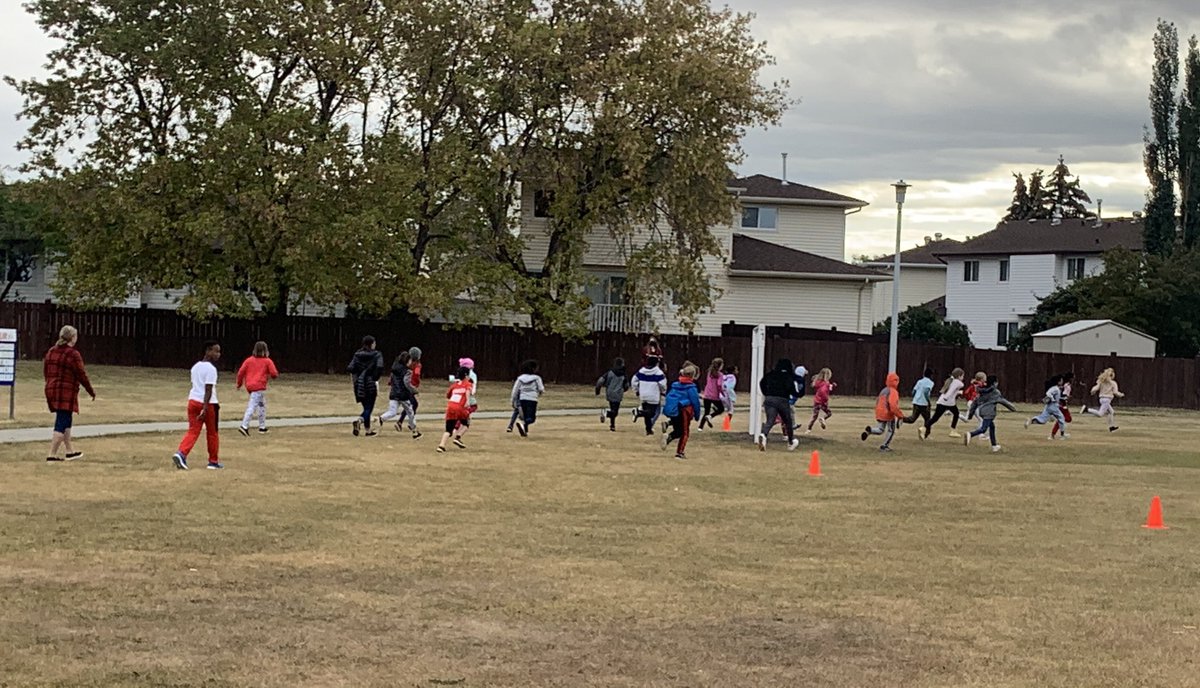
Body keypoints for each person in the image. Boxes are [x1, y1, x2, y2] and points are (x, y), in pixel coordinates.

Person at [42, 325, 95, 462]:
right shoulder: (73, 354)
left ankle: (70, 451)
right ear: (72, 338)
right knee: (61, 422)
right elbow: (81, 374)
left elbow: (46, 371)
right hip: (66, 392)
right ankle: (51, 455)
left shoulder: (51, 351)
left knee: (66, 420)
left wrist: (49, 384)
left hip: (51, 389)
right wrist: (90, 391)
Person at [171, 340, 222, 470]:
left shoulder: (195, 367)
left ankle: (181, 453)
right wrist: (205, 408)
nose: (218, 354)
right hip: (208, 404)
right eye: (216, 351)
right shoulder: (211, 369)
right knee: (212, 433)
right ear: (208, 351)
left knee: (193, 431)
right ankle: (213, 461)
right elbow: (208, 389)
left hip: (192, 401)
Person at [755, 358, 800, 451]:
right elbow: (792, 390)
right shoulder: (788, 377)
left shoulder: (770, 375)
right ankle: (791, 441)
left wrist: (766, 393)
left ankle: (763, 435)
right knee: (788, 421)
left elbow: (761, 383)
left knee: (770, 420)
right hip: (782, 400)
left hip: (769, 399)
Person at [235, 340, 279, 436]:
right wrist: (273, 376)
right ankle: (244, 425)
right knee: (252, 406)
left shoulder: (248, 360)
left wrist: (239, 384)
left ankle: (262, 427)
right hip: (259, 386)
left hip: (250, 386)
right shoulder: (267, 361)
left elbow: (240, 372)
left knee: (262, 405)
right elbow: (274, 373)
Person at [964, 374, 1017, 452]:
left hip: (981, 412)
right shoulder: (995, 392)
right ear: (994, 383)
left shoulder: (981, 391)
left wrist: (970, 415)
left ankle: (994, 446)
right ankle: (971, 434)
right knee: (983, 429)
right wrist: (1013, 408)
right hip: (989, 413)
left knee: (992, 427)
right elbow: (1003, 401)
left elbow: (974, 403)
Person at [660, 363, 701, 460]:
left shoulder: (675, 385)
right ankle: (679, 453)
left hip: (674, 411)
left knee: (678, 431)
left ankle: (668, 437)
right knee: (685, 432)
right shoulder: (691, 388)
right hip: (683, 411)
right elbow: (695, 402)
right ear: (692, 376)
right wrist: (697, 415)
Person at [347, 335, 384, 437]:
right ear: (372, 344)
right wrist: (374, 377)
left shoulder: (357, 355)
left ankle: (368, 430)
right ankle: (360, 420)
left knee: (366, 407)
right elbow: (380, 366)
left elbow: (350, 367)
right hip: (370, 382)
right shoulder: (377, 355)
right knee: (369, 407)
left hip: (359, 383)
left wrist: (359, 373)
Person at [379, 351, 421, 439]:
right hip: (403, 395)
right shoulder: (407, 371)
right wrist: (414, 391)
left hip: (394, 393)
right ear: (407, 361)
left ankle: (381, 418)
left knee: (392, 412)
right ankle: (414, 431)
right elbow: (407, 383)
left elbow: (392, 381)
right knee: (410, 412)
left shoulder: (394, 370)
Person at [861, 372, 905, 452]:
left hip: (879, 412)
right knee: (891, 430)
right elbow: (893, 405)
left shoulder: (884, 390)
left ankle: (870, 430)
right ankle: (884, 446)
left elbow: (878, 401)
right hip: (888, 413)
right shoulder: (893, 392)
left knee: (880, 429)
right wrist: (900, 415)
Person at [437, 366, 475, 453]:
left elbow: (448, 395)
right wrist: (467, 401)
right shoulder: (467, 383)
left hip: (450, 407)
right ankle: (458, 437)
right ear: (466, 375)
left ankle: (441, 446)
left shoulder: (454, 385)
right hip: (460, 408)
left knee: (448, 429)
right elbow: (468, 391)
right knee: (466, 423)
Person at [922, 368, 965, 440]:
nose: (963, 378)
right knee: (956, 414)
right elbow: (951, 391)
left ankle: (923, 428)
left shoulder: (951, 381)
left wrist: (958, 392)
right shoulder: (958, 382)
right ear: (959, 376)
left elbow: (951, 390)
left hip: (942, 401)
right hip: (948, 402)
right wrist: (947, 397)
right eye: (963, 376)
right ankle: (953, 430)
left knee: (935, 418)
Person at [632, 355, 668, 435]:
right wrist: (663, 392)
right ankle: (638, 412)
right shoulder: (658, 372)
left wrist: (636, 390)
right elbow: (663, 385)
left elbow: (634, 380)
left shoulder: (641, 371)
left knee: (647, 415)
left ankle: (649, 430)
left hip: (643, 395)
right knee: (651, 413)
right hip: (653, 395)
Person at [1082, 367, 1124, 432]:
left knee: (1111, 412)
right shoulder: (1113, 383)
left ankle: (1111, 427)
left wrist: (1092, 391)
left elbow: (1096, 388)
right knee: (1100, 414)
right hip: (1107, 400)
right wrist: (1121, 394)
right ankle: (1087, 409)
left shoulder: (1101, 382)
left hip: (1101, 399)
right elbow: (1115, 392)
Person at [595, 357, 630, 432]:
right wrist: (624, 390)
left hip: (609, 392)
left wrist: (597, 390)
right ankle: (606, 413)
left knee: (612, 409)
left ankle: (612, 426)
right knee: (615, 412)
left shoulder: (610, 372)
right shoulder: (623, 374)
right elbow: (626, 385)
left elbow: (600, 381)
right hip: (618, 394)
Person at [510, 359, 545, 437]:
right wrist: (540, 393)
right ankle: (523, 424)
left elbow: (515, 390)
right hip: (532, 399)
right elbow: (541, 389)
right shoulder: (537, 378)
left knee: (525, 416)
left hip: (523, 399)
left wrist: (513, 401)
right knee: (531, 418)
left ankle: (525, 431)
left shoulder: (520, 378)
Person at [697, 357, 725, 430]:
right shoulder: (720, 375)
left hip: (707, 394)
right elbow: (719, 385)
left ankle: (700, 427)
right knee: (721, 409)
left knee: (706, 411)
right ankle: (711, 416)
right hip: (715, 396)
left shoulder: (709, 373)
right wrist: (722, 392)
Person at [806, 367, 835, 433]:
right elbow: (824, 391)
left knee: (814, 416)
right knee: (829, 413)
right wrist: (825, 400)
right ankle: (823, 418)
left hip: (817, 401)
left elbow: (825, 388)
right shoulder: (826, 383)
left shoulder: (818, 382)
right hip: (823, 402)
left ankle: (809, 429)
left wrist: (832, 385)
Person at [1050, 372, 1074, 439]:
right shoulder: (1067, 385)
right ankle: (1059, 434)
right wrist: (1064, 402)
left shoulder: (1064, 385)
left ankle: (1055, 434)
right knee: (1067, 419)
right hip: (1062, 405)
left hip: (1061, 404)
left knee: (1063, 419)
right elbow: (1062, 395)